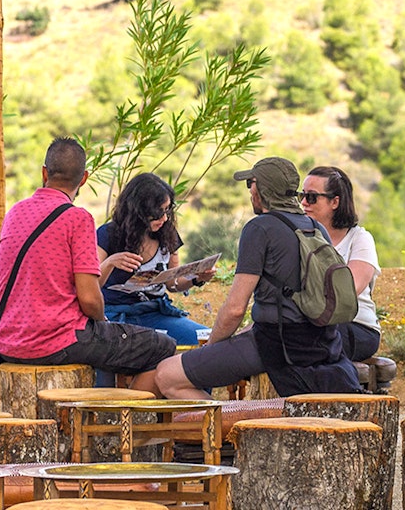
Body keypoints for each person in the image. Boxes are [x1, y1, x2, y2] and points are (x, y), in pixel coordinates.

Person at [156, 156, 361, 399]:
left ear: (262, 189)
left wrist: (211, 350)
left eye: (251, 183)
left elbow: (234, 309)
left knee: (166, 375)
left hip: (276, 345)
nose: (250, 191)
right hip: (321, 343)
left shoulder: (259, 229)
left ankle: (231, 428)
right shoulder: (315, 228)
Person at [0, 137, 175, 395]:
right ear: (84, 178)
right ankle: (123, 425)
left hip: (8, 341)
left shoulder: (15, 213)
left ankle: (111, 417)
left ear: (44, 173)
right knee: (162, 346)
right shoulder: (78, 219)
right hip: (56, 341)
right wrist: (103, 323)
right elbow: (89, 299)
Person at [97, 172, 214, 346]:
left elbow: (173, 283)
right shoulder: (107, 234)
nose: (164, 218)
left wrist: (196, 279)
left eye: (167, 211)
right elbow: (90, 286)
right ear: (139, 210)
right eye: (158, 212)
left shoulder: (167, 233)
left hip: (155, 312)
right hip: (115, 314)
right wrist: (110, 263)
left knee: (208, 340)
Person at [300, 165, 382, 362]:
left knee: (300, 342)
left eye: (311, 197)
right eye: (301, 196)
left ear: (335, 201)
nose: (303, 202)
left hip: (355, 326)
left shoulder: (359, 239)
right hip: (310, 324)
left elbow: (348, 290)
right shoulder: (302, 237)